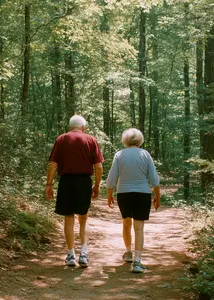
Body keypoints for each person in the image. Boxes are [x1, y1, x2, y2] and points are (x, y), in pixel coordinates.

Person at [45, 115, 104, 268]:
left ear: (70, 127)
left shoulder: (61, 139)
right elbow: (98, 166)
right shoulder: (91, 140)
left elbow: (52, 164)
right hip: (84, 181)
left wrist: (49, 185)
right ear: (83, 128)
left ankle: (70, 254)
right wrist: (97, 185)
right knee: (83, 217)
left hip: (66, 182)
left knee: (68, 217)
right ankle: (84, 252)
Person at [106, 128, 160, 273]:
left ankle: (128, 251)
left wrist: (109, 194)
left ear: (125, 140)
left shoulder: (119, 154)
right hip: (142, 193)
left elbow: (112, 177)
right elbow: (154, 179)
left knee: (126, 223)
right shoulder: (145, 154)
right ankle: (137, 261)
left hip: (124, 193)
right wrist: (157, 196)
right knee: (139, 227)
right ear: (140, 140)